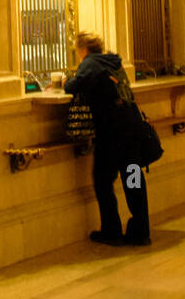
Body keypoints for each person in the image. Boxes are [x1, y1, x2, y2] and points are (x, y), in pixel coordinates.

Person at [64, 31, 150, 246]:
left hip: (112, 133)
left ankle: (111, 230)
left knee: (103, 180)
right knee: (133, 179)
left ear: (83, 50)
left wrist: (65, 81)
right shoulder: (113, 62)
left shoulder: (90, 63)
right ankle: (140, 230)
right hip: (132, 129)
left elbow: (71, 87)